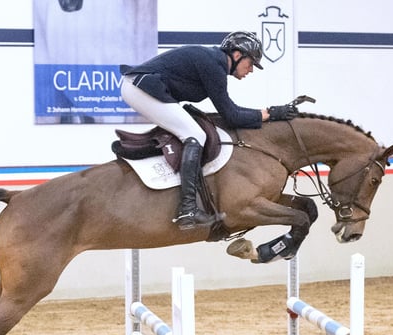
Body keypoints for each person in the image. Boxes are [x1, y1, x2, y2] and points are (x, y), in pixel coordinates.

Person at [121, 31, 298, 230]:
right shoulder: (214, 65)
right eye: (251, 63)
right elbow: (232, 115)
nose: (251, 70)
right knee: (195, 134)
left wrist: (269, 113)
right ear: (237, 54)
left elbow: (230, 112)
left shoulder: (215, 63)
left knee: (191, 130)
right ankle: (188, 208)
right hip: (139, 87)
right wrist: (270, 114)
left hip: (140, 87)